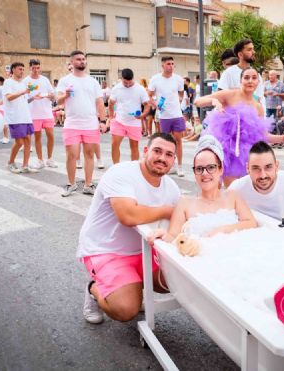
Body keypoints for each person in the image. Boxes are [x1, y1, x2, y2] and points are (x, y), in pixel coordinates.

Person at [78, 133, 180, 324]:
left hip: (144, 249)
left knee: (179, 283)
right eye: (157, 151)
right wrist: (167, 210)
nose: (162, 158)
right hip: (106, 250)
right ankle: (94, 289)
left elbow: (181, 217)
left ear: (174, 160)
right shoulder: (121, 172)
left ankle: (132, 285)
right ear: (145, 151)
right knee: (126, 309)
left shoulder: (172, 187)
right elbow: (128, 216)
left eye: (169, 155)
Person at [194, 67, 284, 187]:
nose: (250, 81)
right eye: (246, 77)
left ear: (258, 82)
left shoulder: (258, 107)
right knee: (229, 191)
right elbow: (198, 101)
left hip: (246, 155)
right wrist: (214, 101)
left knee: (244, 192)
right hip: (226, 152)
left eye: (254, 78)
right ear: (241, 80)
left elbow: (264, 136)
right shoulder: (230, 94)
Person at [150, 135, 256, 244]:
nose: (205, 173)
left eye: (210, 167)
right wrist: (163, 235)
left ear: (221, 169)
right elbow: (173, 237)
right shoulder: (185, 203)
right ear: (195, 173)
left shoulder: (232, 196)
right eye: (199, 169)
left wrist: (223, 230)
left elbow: (251, 223)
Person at [57, 50, 107, 196]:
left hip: (90, 124)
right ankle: (71, 184)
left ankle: (88, 184)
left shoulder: (92, 81)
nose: (82, 61)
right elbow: (58, 100)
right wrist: (65, 95)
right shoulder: (65, 81)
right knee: (71, 155)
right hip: (72, 124)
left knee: (89, 154)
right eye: (78, 59)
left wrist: (103, 121)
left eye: (83, 59)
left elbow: (99, 103)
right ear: (71, 62)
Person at [148, 56, 186, 177]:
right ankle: (168, 165)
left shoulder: (178, 79)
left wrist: (179, 101)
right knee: (165, 143)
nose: (171, 66)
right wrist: (155, 104)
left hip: (177, 114)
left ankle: (179, 167)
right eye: (168, 64)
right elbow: (148, 95)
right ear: (163, 65)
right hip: (164, 116)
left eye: (172, 64)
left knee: (178, 141)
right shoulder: (155, 79)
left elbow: (181, 93)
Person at [107, 68, 150, 164]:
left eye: (129, 83)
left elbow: (147, 105)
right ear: (121, 79)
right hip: (119, 121)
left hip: (134, 122)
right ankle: (116, 167)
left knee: (134, 146)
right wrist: (110, 118)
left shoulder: (140, 89)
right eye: (125, 83)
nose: (127, 85)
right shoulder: (116, 89)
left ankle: (134, 168)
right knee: (114, 144)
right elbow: (110, 103)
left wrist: (142, 115)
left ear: (133, 79)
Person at [3, 62, 38, 174]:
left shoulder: (23, 84)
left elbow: (25, 100)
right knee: (19, 142)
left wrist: (33, 98)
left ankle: (25, 165)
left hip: (26, 116)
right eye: (19, 69)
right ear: (13, 70)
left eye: (23, 69)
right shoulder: (8, 82)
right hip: (15, 117)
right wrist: (23, 91)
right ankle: (11, 162)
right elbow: (9, 97)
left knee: (28, 141)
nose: (22, 71)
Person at [24, 59, 57, 169]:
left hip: (47, 113)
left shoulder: (45, 80)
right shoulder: (26, 81)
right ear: (30, 68)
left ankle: (50, 159)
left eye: (38, 68)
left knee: (51, 135)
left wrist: (48, 96)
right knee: (37, 137)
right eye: (33, 68)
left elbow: (53, 96)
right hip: (34, 114)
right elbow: (24, 100)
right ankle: (40, 160)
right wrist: (33, 97)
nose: (36, 70)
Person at [217, 39, 266, 107]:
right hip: (232, 115)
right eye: (249, 50)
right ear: (240, 54)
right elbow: (220, 95)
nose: (253, 52)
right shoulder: (228, 73)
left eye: (253, 49)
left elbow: (258, 99)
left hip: (251, 115)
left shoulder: (256, 75)